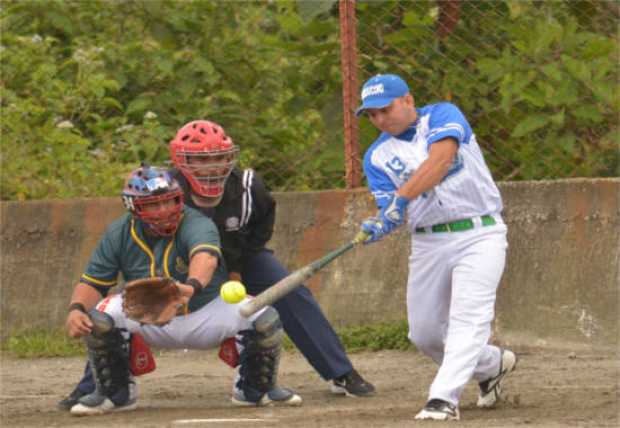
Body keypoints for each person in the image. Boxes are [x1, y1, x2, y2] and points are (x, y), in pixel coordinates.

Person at [59, 165, 301, 415]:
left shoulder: (197, 222)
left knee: (264, 318)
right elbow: (93, 281)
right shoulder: (118, 233)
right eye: (153, 205)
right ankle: (115, 394)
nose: (164, 211)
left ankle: (255, 390)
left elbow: (205, 257)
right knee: (100, 317)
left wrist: (191, 286)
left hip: (204, 311)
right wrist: (76, 309)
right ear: (133, 207)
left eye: (170, 201)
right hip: (147, 316)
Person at [167, 120, 375, 397]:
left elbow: (259, 230)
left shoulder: (248, 188)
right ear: (184, 161)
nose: (214, 166)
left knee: (290, 290)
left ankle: (340, 372)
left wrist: (236, 270)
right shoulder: (165, 189)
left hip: (241, 255)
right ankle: (101, 385)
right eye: (203, 160)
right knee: (131, 300)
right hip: (181, 260)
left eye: (220, 157)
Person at [355, 74, 517, 421]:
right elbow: (392, 210)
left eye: (386, 109)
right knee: (425, 332)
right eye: (372, 115)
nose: (380, 119)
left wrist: (401, 198)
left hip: (480, 232)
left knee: (467, 318)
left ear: (408, 100)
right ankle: (492, 364)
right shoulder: (377, 156)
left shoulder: (442, 115)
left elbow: (441, 160)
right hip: (429, 241)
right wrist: (382, 222)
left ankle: (443, 399)